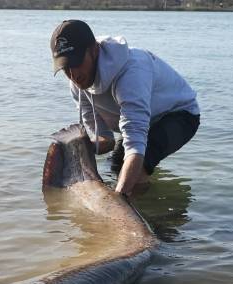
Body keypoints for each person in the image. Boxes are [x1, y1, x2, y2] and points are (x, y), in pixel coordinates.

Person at [50, 19, 200, 198]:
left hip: (179, 115)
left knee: (135, 175)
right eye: (66, 67)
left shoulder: (132, 73)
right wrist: (77, 149)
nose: (73, 75)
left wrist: (117, 201)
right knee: (116, 168)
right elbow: (106, 140)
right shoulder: (78, 84)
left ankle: (157, 221)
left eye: (76, 63)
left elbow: (135, 146)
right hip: (144, 121)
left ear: (94, 50)